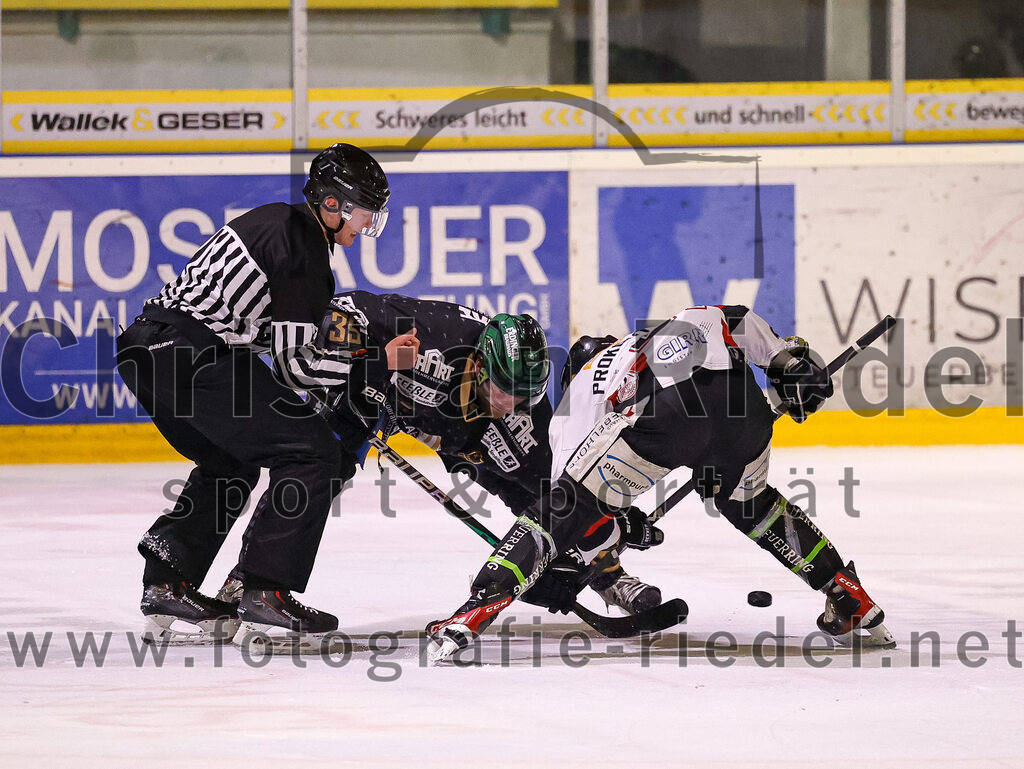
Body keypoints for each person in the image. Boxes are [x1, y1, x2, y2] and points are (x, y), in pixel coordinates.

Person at [426, 304, 896, 661]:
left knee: (560, 512)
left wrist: (570, 564)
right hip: (740, 408)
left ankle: (474, 612)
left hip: (665, 417)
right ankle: (845, 591)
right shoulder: (647, 340)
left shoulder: (573, 404)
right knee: (753, 506)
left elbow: (567, 512)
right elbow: (729, 316)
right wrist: (785, 364)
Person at [116, 143, 405, 645]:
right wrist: (377, 364)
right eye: (364, 212)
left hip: (146, 350)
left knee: (232, 462)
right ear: (332, 204)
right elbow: (297, 368)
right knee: (314, 452)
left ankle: (168, 580)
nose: (367, 225)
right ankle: (265, 590)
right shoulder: (305, 248)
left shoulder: (274, 220)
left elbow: (265, 336)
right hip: (192, 356)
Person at [302, 291, 664, 616]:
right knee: (317, 470)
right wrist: (355, 372)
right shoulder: (430, 334)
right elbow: (344, 310)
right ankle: (259, 581)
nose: (511, 404)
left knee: (546, 493)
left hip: (466, 437)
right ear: (478, 365)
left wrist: (606, 526)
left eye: (524, 395)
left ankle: (608, 575)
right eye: (505, 390)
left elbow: (564, 495)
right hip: (389, 404)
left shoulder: (523, 419)